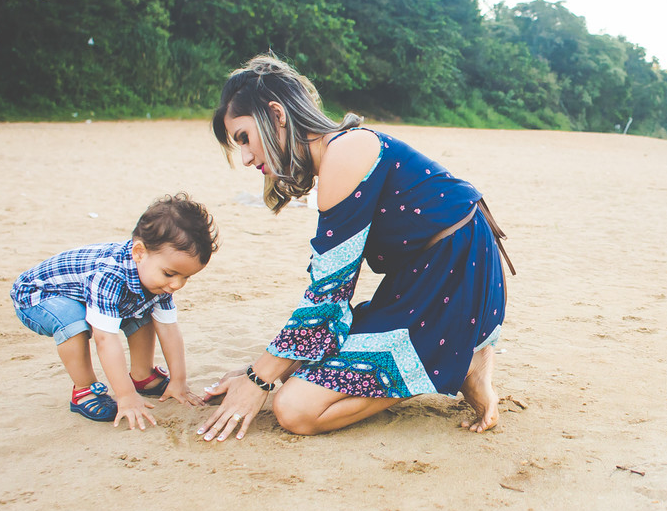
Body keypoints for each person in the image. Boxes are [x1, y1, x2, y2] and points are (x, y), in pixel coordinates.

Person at [198, 54, 513, 442]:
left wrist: (257, 380)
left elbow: (329, 299)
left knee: (294, 410)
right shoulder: (336, 155)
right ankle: (460, 361)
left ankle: (444, 364)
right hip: (421, 277)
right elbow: (327, 300)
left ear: (276, 114)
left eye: (244, 137)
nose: (245, 158)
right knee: (298, 372)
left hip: (454, 275)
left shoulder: (345, 152)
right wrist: (262, 371)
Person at [11, 194, 218, 428]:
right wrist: (126, 396)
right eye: (170, 274)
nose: (176, 285)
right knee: (74, 322)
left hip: (82, 295)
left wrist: (179, 381)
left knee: (143, 309)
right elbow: (104, 339)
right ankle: (85, 389)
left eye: (186, 277)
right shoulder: (110, 275)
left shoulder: (157, 278)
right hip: (39, 296)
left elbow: (169, 329)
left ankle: (143, 375)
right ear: (139, 252)